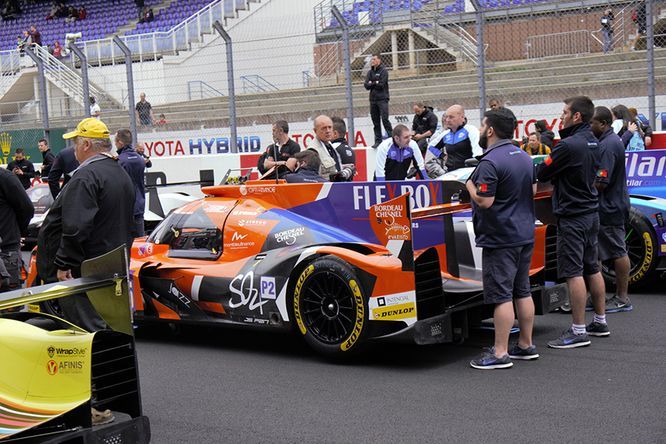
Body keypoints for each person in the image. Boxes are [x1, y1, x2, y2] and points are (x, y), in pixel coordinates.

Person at [36, 118, 134, 333]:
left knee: (88, 333)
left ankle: (99, 366)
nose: (73, 149)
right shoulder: (119, 172)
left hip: (83, 271)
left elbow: (76, 226)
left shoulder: (87, 176)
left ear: (86, 145)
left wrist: (63, 264)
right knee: (108, 328)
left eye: (75, 143)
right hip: (110, 264)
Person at [466, 107, 537, 370]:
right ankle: (526, 344)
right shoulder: (524, 157)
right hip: (524, 233)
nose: (481, 129)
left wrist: (469, 185)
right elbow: (533, 190)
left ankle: (499, 352)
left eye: (483, 125)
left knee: (501, 296)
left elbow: (485, 200)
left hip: (501, 238)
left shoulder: (489, 161)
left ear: (491, 130)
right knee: (522, 290)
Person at [536, 96, 607, 348]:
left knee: (573, 272)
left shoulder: (567, 145)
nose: (562, 116)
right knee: (593, 267)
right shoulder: (593, 140)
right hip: (591, 212)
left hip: (573, 216)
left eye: (565, 112)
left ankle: (578, 331)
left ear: (577, 116)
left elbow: (542, 172)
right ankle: (599, 320)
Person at [590, 106, 632, 314]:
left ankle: (622, 297)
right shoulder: (607, 141)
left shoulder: (608, 145)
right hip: (607, 205)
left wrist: (581, 185)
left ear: (604, 124)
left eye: (592, 123)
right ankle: (597, 296)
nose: (590, 127)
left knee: (617, 250)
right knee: (595, 252)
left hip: (610, 206)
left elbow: (601, 182)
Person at [0, 167, 33, 293]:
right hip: (8, 249)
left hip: (6, 252)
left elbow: (26, 209)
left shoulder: (5, 178)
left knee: (9, 307)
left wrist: (14, 232)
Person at [115, 129, 147, 238]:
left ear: (120, 143)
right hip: (139, 206)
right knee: (139, 242)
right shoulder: (140, 159)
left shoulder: (119, 160)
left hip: (125, 209)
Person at [441, 104, 481, 172]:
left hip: (467, 172)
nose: (447, 120)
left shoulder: (471, 130)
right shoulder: (445, 134)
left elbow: (478, 154)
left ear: (462, 117)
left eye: (451, 117)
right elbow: (431, 148)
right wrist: (442, 155)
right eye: (446, 117)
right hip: (450, 172)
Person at [364, 54, 392, 148]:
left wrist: (373, 83)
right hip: (373, 100)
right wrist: (375, 82)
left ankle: (392, 137)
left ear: (379, 60)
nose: (372, 61)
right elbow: (366, 85)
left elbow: (381, 84)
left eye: (374, 59)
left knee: (384, 119)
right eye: (372, 59)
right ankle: (378, 140)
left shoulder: (383, 71)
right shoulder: (370, 72)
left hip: (382, 99)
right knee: (375, 122)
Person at [306, 115, 344, 180]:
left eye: (330, 127)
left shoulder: (329, 145)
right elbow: (314, 178)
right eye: (324, 128)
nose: (328, 131)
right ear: (315, 131)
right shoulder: (313, 151)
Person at [330, 116, 356, 181]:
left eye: (329, 129)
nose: (327, 132)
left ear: (335, 134)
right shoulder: (350, 149)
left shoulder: (332, 148)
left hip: (335, 188)